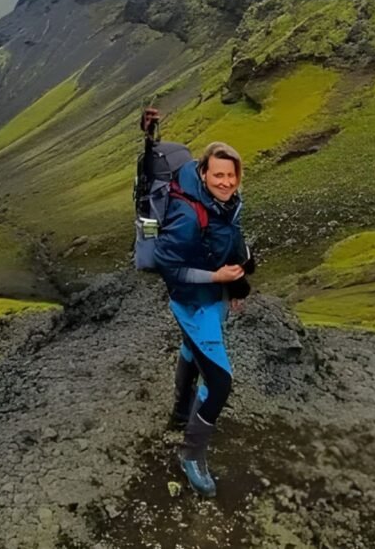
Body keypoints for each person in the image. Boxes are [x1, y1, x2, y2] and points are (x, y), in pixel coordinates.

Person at [153, 140, 249, 498]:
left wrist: (235, 288)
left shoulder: (226, 204)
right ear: (203, 174)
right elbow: (169, 267)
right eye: (218, 175)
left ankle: (180, 414)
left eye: (232, 175)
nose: (226, 182)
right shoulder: (188, 215)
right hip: (192, 303)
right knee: (220, 382)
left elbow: (233, 241)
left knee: (192, 352)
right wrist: (216, 279)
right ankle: (191, 456)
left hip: (213, 299)